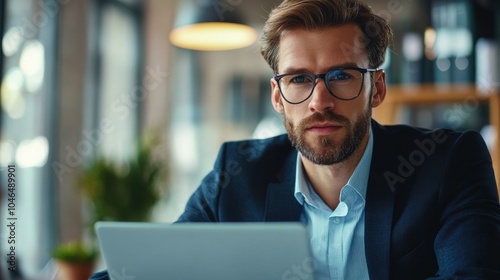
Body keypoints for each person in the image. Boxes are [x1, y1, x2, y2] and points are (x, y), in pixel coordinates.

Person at [90, 0, 500, 279]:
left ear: (376, 89)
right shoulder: (236, 175)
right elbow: (156, 269)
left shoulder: (449, 163)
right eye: (299, 79)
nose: (319, 101)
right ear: (277, 97)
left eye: (341, 76)